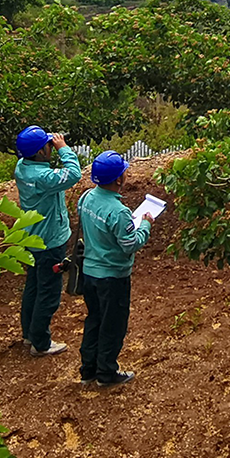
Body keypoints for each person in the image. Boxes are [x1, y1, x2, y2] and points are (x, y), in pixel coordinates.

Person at [77, 150, 154, 387]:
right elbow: (130, 245)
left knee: (94, 320)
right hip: (113, 277)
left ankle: (88, 369)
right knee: (113, 325)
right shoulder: (118, 211)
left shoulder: (87, 197)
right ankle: (107, 373)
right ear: (118, 179)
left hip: (90, 273)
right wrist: (145, 226)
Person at [14, 125, 81, 356]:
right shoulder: (43, 177)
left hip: (32, 238)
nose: (50, 147)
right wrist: (63, 149)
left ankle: (29, 334)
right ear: (40, 152)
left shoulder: (22, 167)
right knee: (49, 293)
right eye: (47, 146)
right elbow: (74, 174)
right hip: (50, 241)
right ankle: (41, 343)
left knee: (33, 287)